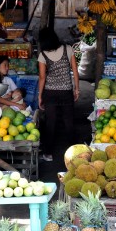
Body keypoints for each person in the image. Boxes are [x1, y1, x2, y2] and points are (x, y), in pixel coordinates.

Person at [37, 27, 80, 162]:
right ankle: (75, 154)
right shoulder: (68, 49)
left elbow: (42, 77)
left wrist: (40, 95)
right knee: (69, 122)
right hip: (66, 91)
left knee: (51, 123)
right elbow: (75, 70)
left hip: (50, 93)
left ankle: (48, 153)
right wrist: (76, 89)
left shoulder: (42, 55)